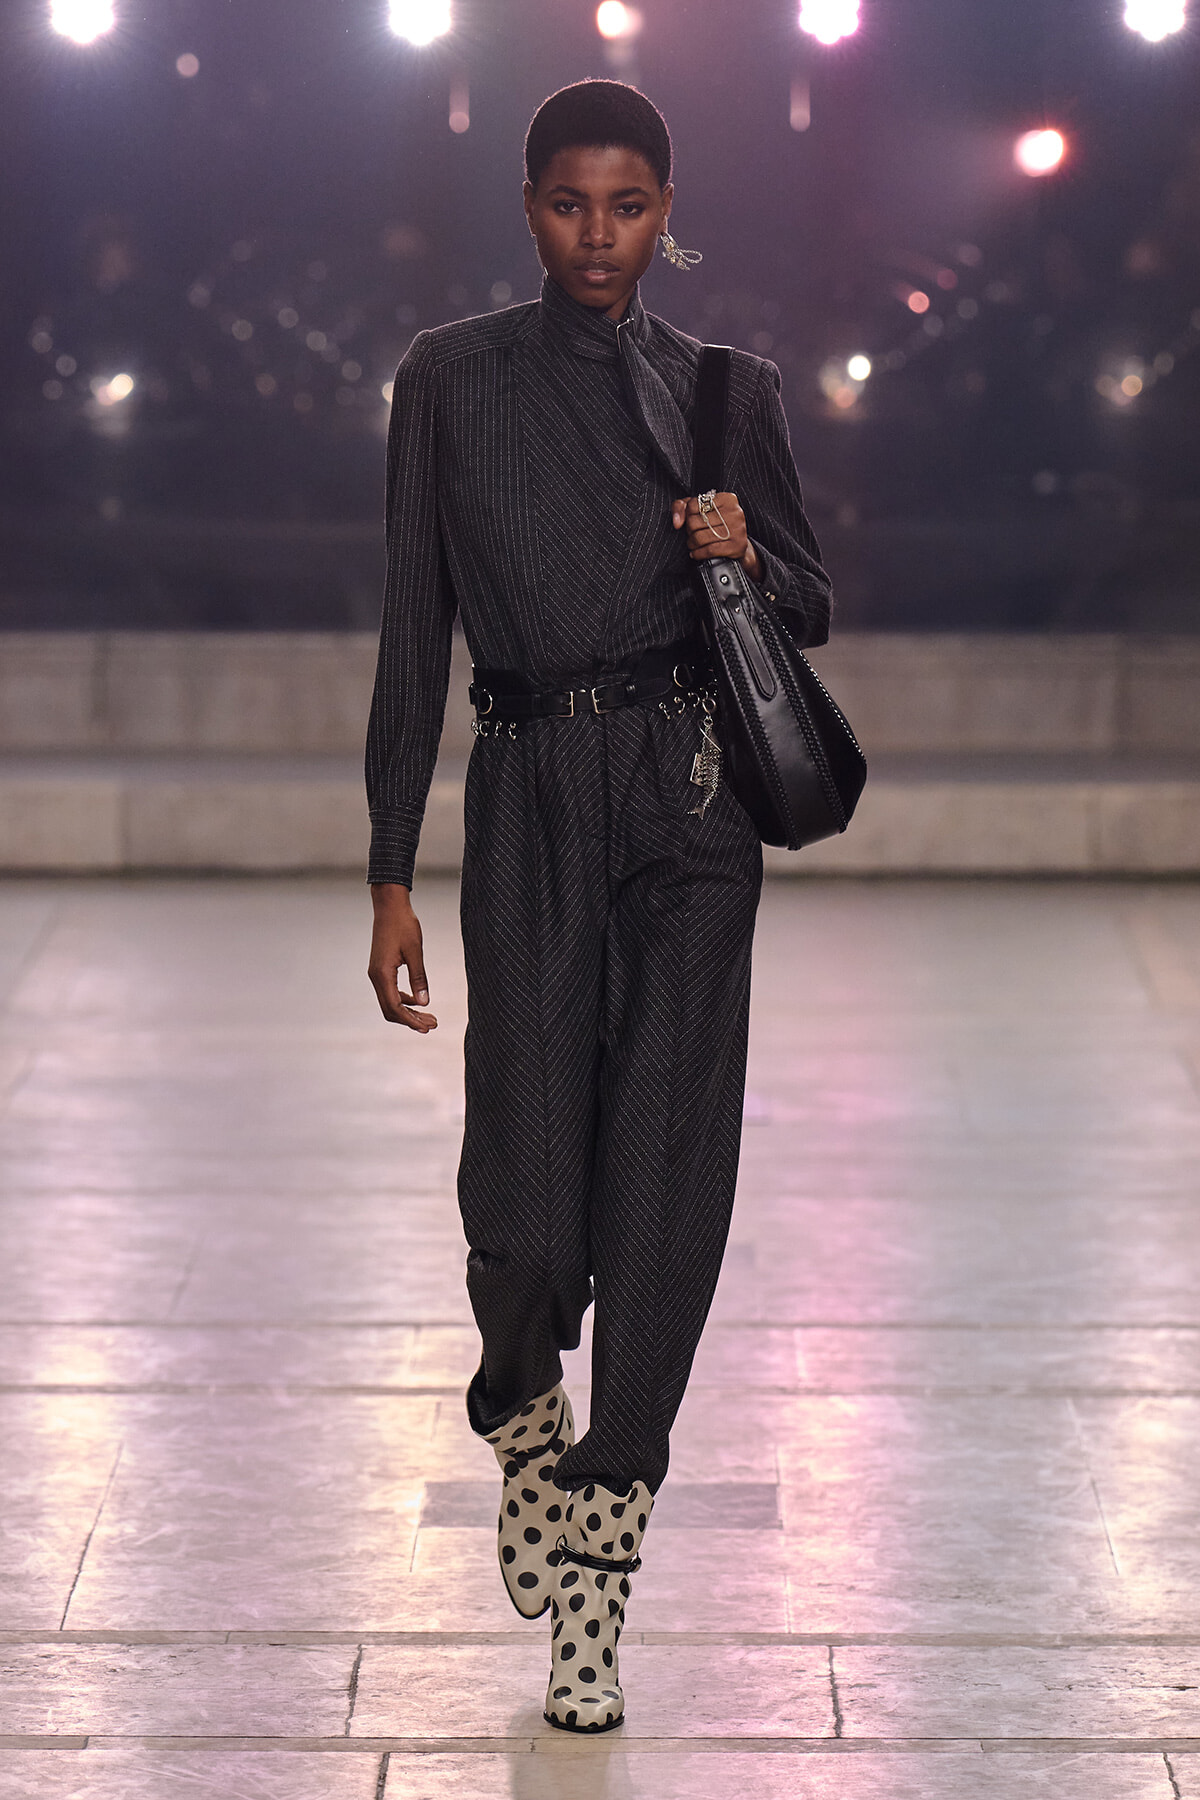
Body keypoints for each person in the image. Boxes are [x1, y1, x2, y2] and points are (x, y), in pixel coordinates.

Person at [366, 78, 832, 1734]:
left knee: (665, 1177)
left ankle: (605, 1567)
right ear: (527, 200)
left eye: (629, 206)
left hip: (693, 803)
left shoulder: (723, 391)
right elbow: (415, 619)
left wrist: (749, 558)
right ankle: (516, 1405)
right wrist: (386, 864)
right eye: (571, 203)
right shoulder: (453, 379)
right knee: (528, 1172)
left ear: (667, 207)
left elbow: (815, 597)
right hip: (527, 792)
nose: (599, 237)